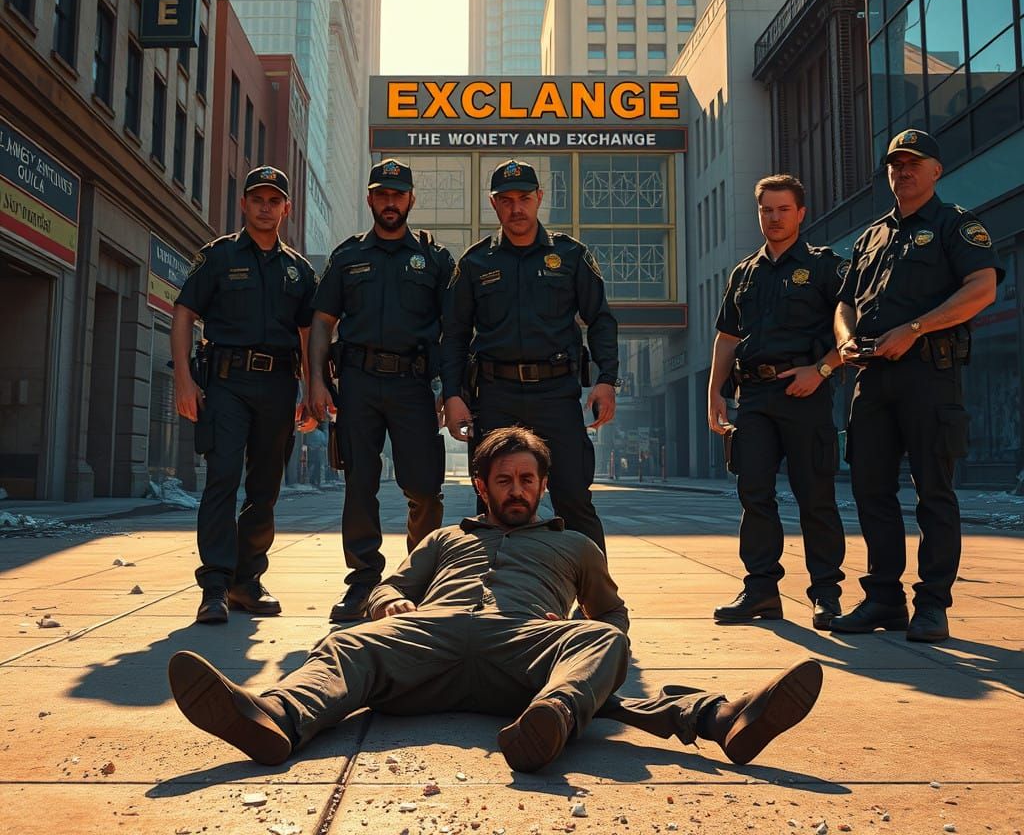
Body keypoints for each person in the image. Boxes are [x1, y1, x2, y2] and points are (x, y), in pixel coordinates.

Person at [168, 426, 823, 772]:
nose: (518, 490)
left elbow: (612, 619)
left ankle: (552, 723)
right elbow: (393, 584)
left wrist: (566, 629)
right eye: (504, 480)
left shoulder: (575, 548)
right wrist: (390, 605)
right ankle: (273, 719)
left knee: (600, 643)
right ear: (482, 486)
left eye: (528, 480)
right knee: (349, 643)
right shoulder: (446, 539)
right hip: (430, 641)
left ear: (542, 485)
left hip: (524, 654)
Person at [832, 129, 1002, 643]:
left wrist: (915, 328)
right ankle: (883, 597)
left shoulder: (957, 226)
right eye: (895, 164)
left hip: (929, 374)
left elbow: (983, 289)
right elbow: (844, 303)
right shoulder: (871, 236)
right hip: (872, 380)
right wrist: (844, 341)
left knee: (934, 493)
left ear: (936, 170)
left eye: (913, 163)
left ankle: (932, 605)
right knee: (871, 490)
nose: (902, 172)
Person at [441, 159, 619, 553]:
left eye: (524, 198)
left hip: (556, 394)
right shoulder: (475, 263)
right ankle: (492, 597)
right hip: (494, 396)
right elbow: (453, 335)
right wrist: (452, 395)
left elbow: (601, 319)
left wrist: (607, 379)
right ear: (493, 203)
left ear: (539, 198)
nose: (516, 208)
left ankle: (598, 598)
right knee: (492, 501)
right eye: (506, 200)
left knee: (573, 496)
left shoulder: (571, 256)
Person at [307, 159, 454, 623]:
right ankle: (364, 582)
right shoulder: (348, 257)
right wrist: (314, 379)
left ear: (411, 199)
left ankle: (418, 580)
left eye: (398, 194)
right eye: (382, 194)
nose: (390, 202)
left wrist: (449, 389)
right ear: (370, 199)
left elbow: (455, 329)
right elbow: (322, 322)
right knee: (359, 486)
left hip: (413, 384)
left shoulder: (435, 259)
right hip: (358, 384)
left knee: (425, 489)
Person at [172, 165, 315, 624]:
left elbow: (309, 334)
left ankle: (246, 581)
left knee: (266, 487)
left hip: (277, 384)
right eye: (258, 199)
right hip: (227, 382)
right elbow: (182, 314)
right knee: (223, 477)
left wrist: (313, 390)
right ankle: (214, 585)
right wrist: (183, 381)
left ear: (286, 209)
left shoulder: (299, 271)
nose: (266, 207)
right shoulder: (216, 257)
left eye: (275, 200)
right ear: (244, 204)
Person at [707, 175, 847, 631]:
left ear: (801, 212)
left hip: (804, 391)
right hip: (755, 397)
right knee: (754, 495)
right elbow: (727, 337)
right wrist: (715, 394)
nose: (774, 217)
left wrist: (821, 370)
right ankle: (761, 590)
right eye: (766, 209)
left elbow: (851, 328)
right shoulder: (744, 272)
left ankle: (826, 595)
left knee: (815, 497)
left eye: (783, 209)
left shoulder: (825, 267)